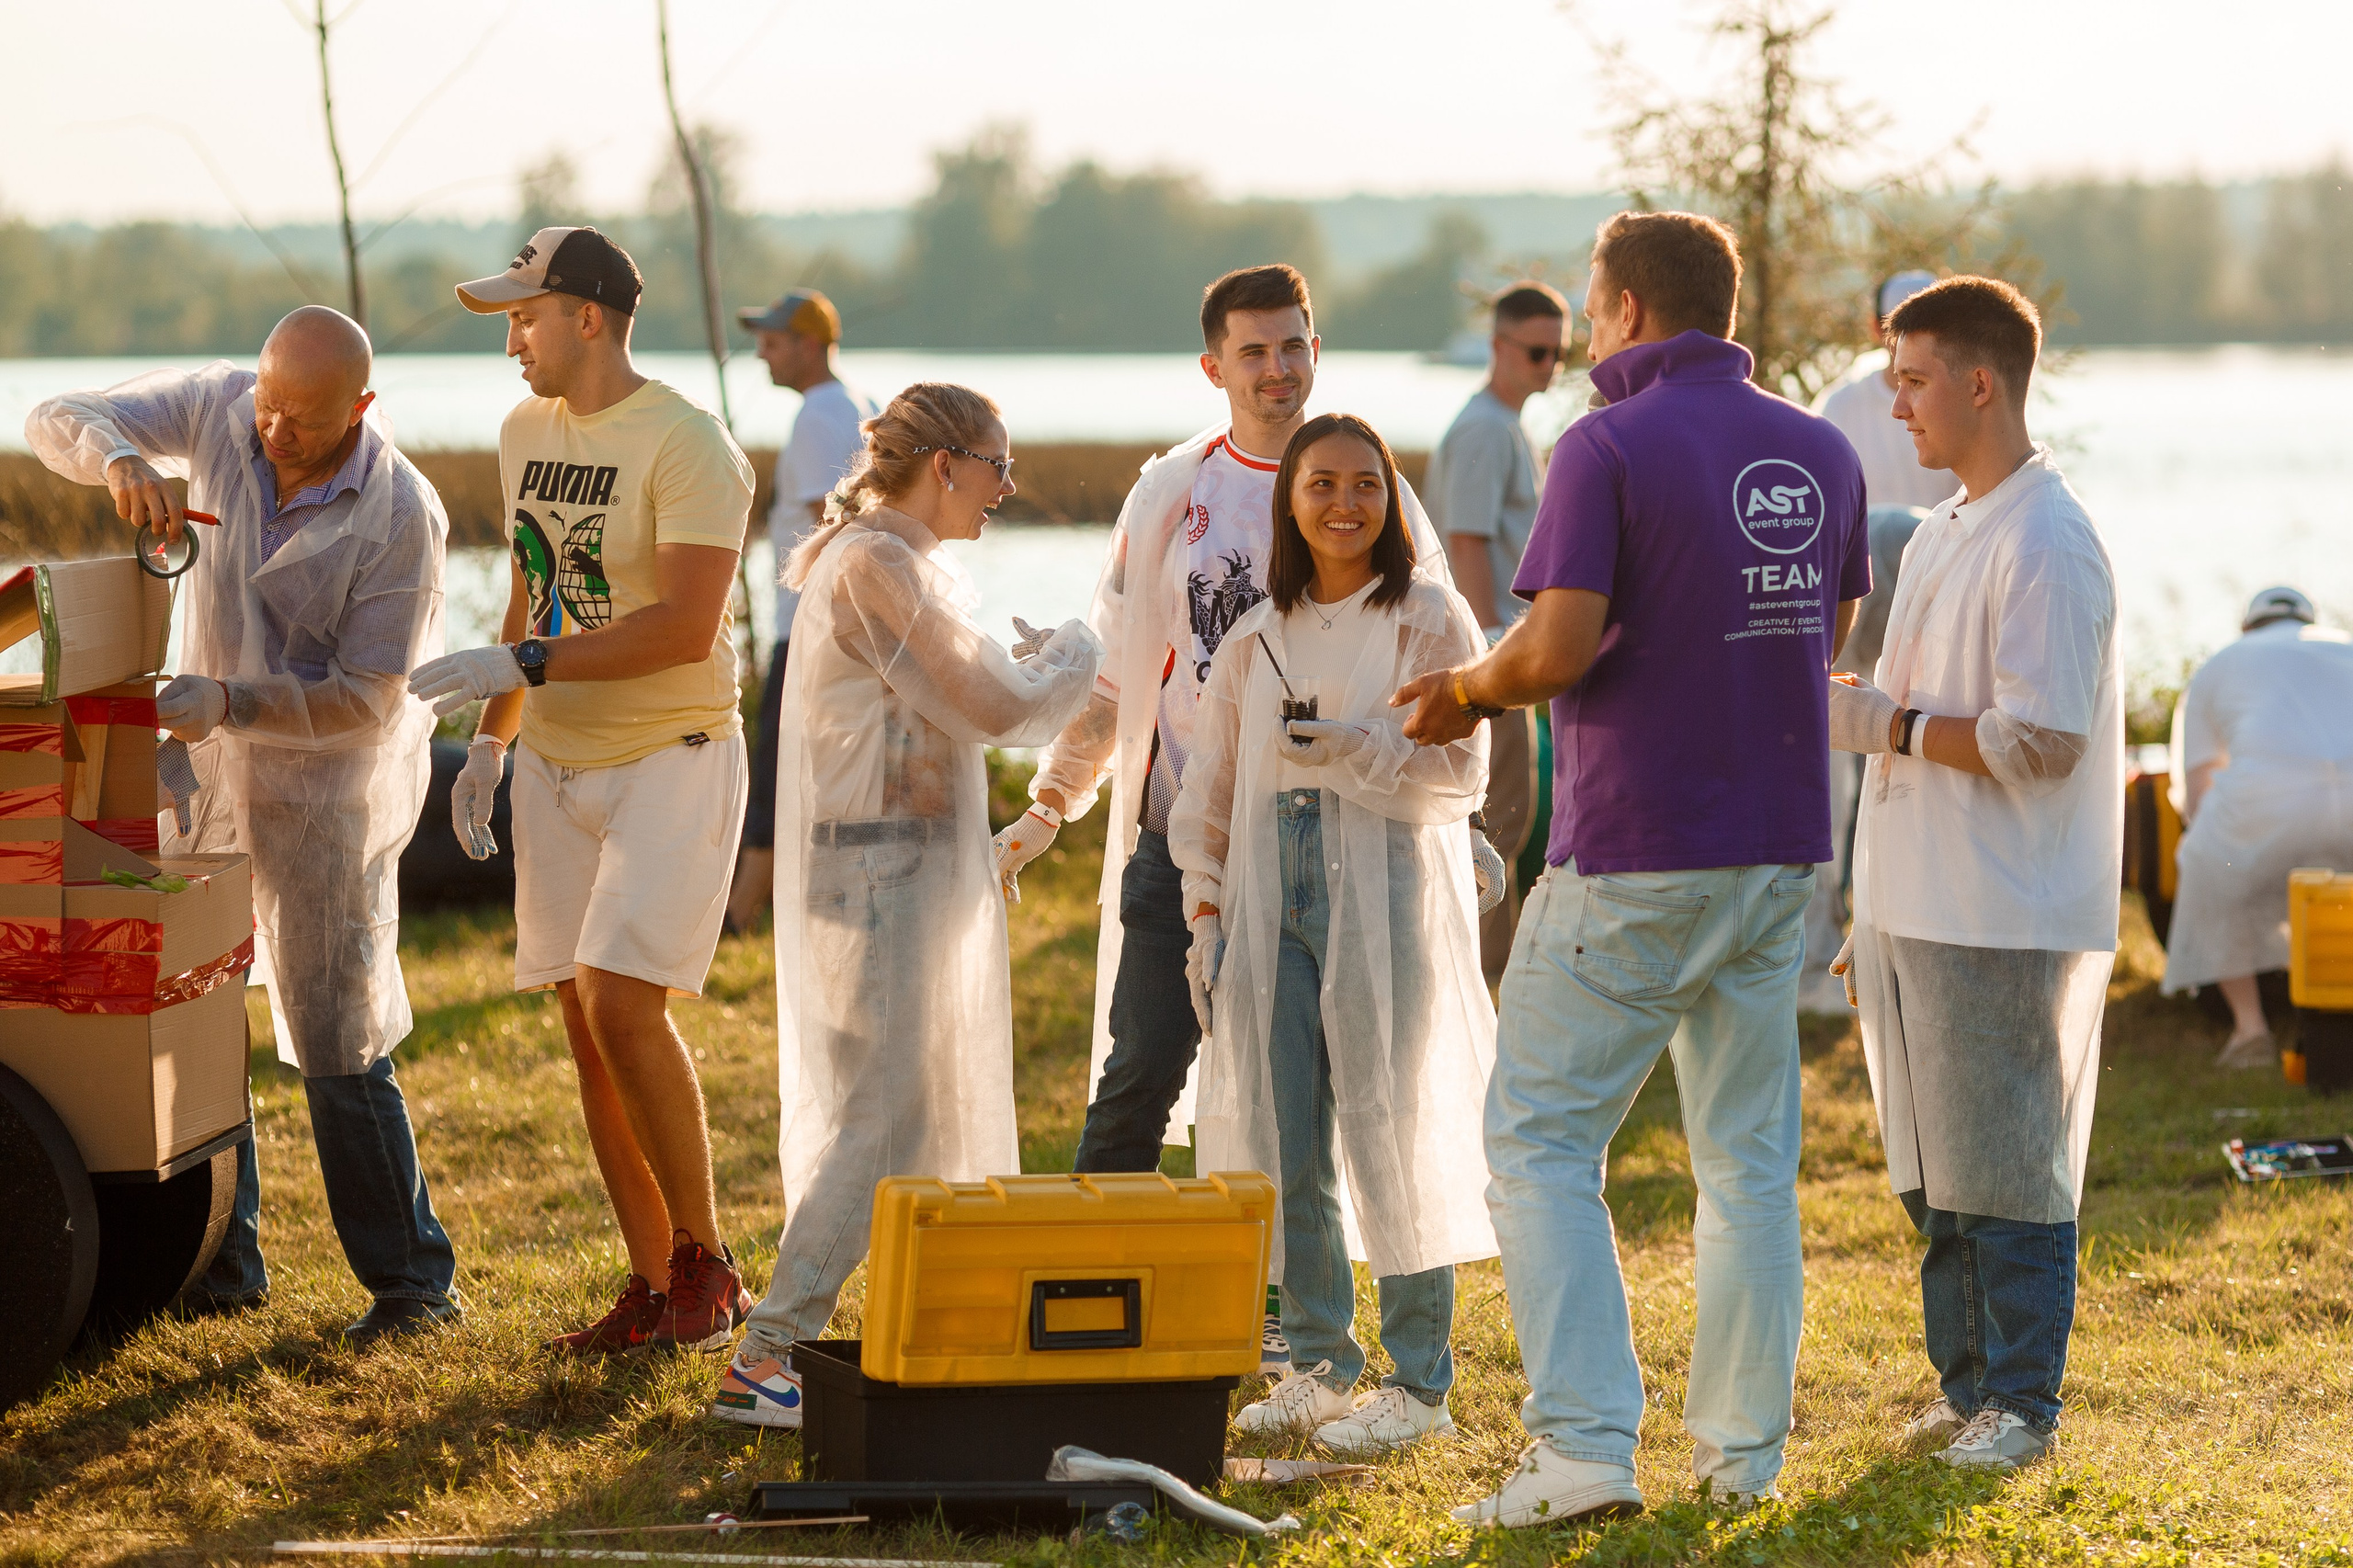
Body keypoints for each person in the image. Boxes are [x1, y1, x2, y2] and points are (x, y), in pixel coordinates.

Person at [1396, 210, 1869, 1525]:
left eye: (1594, 304)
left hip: (1640, 848)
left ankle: (1584, 1449)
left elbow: (1555, 648)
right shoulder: (1823, 447)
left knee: (1539, 1140)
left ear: (1624, 309)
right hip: (1778, 850)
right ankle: (1741, 1458)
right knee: (1747, 1165)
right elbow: (1825, 632)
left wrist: (1465, 690)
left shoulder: (1601, 442)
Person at [996, 265, 1450, 1372]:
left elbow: (1430, 675)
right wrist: (1052, 801)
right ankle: (1078, 1304)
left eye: (1294, 345)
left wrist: (1456, 831)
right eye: (1253, 351)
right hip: (1181, 834)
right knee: (1139, 1074)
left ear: (1315, 351)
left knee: (1310, 1096)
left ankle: (1291, 1319)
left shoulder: (1367, 482)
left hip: (1330, 847)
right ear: (1214, 366)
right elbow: (1119, 673)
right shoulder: (1174, 490)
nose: (1277, 369)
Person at [26, 307, 459, 1344]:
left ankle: (412, 1284)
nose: (274, 430)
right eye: (268, 403)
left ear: (361, 405)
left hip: (323, 794)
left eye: (302, 416)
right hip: (203, 774)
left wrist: (230, 700)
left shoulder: (401, 514)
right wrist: (122, 456)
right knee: (203, 1009)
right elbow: (55, 415)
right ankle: (224, 1261)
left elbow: (369, 697)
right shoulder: (223, 407)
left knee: (337, 1037)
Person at [710, 384, 1103, 1427]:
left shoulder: (900, 559)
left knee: (909, 1109)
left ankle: (920, 1320)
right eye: (997, 465)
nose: (1007, 487)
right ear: (944, 464)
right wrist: (1073, 655)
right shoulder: (877, 562)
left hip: (898, 861)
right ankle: (768, 1350)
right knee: (883, 1112)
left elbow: (942, 710)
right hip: (881, 871)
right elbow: (990, 705)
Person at [410, 226, 756, 1353]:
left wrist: (522, 662)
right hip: (554, 763)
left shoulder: (689, 443)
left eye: (526, 317)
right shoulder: (525, 431)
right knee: (582, 1020)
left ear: (588, 317)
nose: (512, 341)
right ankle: (653, 1282)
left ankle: (709, 1265)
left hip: (671, 753)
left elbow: (684, 626)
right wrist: (492, 741)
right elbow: (535, 587)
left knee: (620, 1002)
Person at [1829, 275, 2121, 1471]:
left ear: (1981, 382)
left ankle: (2022, 1404)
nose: (1896, 406)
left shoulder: (2046, 535)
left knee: (2004, 1161)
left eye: (1912, 381)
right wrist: (1868, 903)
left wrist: (1888, 725)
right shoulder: (1948, 525)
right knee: (1935, 1168)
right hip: (1917, 895)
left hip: (2001, 900)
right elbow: (1909, 721)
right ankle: (1966, 1389)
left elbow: (2042, 742)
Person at [1170, 413, 1495, 1456]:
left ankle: (1421, 1380)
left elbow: (1462, 773)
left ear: (1391, 500)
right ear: (1290, 500)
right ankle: (1317, 1362)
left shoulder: (1427, 616)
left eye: (1365, 484)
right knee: (1290, 1137)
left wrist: (1359, 746)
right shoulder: (1258, 629)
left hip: (1384, 886)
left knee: (1391, 1125)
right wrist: (1206, 909)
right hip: (1270, 893)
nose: (1344, 503)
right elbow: (1212, 784)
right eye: (1321, 484)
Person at [1426, 281, 1567, 980]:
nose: (1550, 367)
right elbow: (1467, 539)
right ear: (1498, 347)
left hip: (1500, 658)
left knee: (1506, 829)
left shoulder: (1505, 423)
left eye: (1559, 354)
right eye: (1537, 353)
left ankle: (1491, 989)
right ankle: (1480, 990)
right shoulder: (1485, 428)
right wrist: (1488, 661)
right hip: (1486, 660)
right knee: (1494, 832)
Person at [727, 288, 879, 931]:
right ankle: (775, 908)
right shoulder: (860, 404)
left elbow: (832, 524)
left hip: (809, 626)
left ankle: (739, 915)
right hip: (845, 628)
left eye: (772, 342)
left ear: (809, 346)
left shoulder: (818, 415)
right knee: (816, 769)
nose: (761, 354)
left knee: (776, 766)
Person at [2162, 586, 2353, 1065]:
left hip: (2264, 809)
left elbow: (2196, 789)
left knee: (2205, 859)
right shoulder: (2345, 647)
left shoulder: (2220, 664)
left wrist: (2224, 850)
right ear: (2308, 618)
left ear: (2247, 625)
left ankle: (2251, 1031)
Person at [1795, 503, 1927, 1011]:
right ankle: (1811, 968)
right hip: (1823, 677)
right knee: (1822, 821)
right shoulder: (1897, 546)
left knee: (1836, 816)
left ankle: (1824, 953)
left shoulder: (1910, 540)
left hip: (1842, 665)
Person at [1813, 270, 1959, 509]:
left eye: (1932, 326)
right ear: (1876, 328)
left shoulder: (1967, 402)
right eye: (1901, 326)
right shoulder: (1839, 406)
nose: (1917, 337)